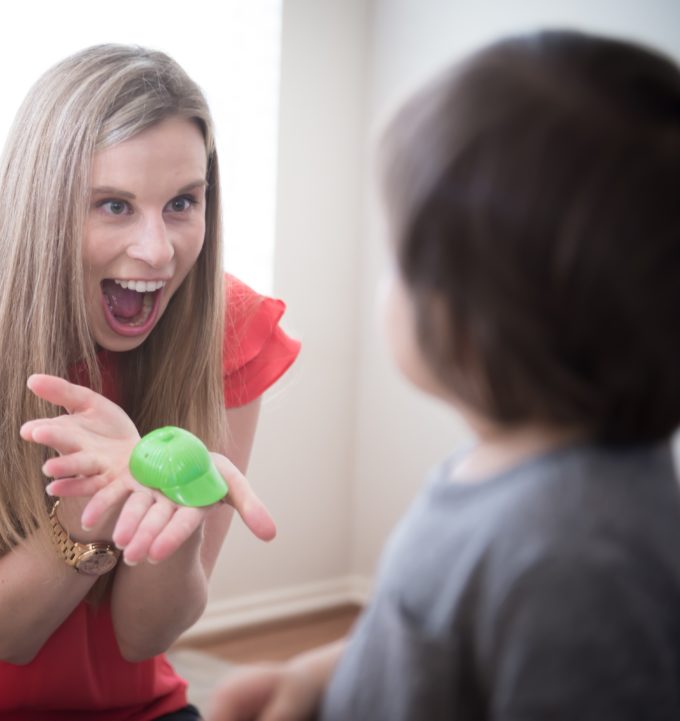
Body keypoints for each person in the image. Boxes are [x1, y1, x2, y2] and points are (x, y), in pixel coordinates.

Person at [207, 29, 680, 721]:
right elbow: (436, 635)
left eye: (399, 258)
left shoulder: (578, 556)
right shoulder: (521, 476)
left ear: (473, 319)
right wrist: (317, 677)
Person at [0, 44, 300, 720]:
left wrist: (178, 501)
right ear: (39, 204)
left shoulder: (229, 328)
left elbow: (145, 639)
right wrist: (92, 507)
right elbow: (2, 633)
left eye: (182, 202)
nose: (157, 251)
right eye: (113, 205)